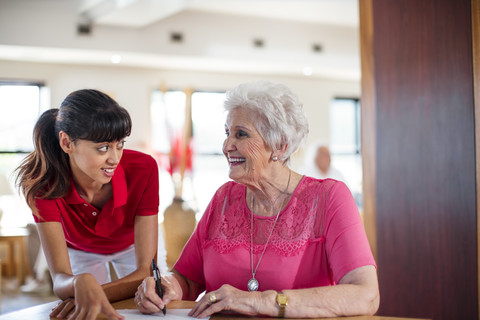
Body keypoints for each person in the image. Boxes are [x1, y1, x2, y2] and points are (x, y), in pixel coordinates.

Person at [134, 81, 379, 318]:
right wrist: (165, 287)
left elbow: (365, 295)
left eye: (241, 134)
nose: (227, 145)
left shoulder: (329, 198)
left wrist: (259, 301)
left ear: (280, 146)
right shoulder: (223, 198)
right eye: (227, 133)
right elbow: (188, 278)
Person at [15, 89, 161, 320]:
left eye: (120, 144)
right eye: (103, 147)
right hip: (81, 250)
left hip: (131, 245)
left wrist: (90, 294)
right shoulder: (44, 186)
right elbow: (61, 280)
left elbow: (145, 272)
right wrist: (79, 283)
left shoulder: (145, 168)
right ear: (66, 142)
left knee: (154, 301)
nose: (114, 158)